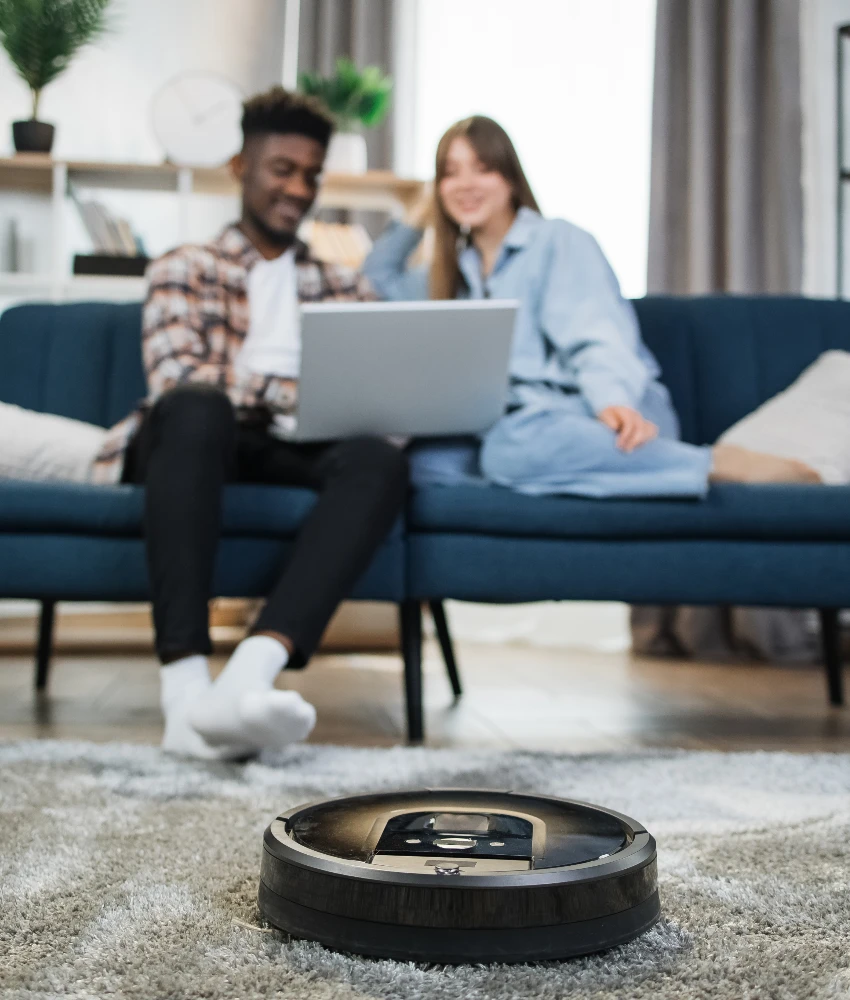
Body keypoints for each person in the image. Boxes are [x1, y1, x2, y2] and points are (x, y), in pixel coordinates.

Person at [92, 87, 408, 760]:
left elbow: (378, 398)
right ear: (242, 167)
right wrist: (294, 394)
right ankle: (183, 694)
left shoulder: (344, 285)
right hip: (193, 439)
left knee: (381, 461)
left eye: (311, 174)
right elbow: (180, 376)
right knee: (200, 407)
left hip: (296, 443)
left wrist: (343, 408)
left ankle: (247, 676)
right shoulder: (186, 265)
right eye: (282, 169)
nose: (299, 188)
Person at [363, 115, 820, 497]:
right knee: (418, 466)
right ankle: (552, 475)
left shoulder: (557, 241)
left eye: (481, 168)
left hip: (597, 416)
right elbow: (377, 279)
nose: (464, 184)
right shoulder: (449, 274)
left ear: (509, 178)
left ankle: (712, 466)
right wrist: (423, 207)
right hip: (516, 425)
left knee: (510, 449)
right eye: (450, 172)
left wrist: (613, 400)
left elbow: (597, 334)